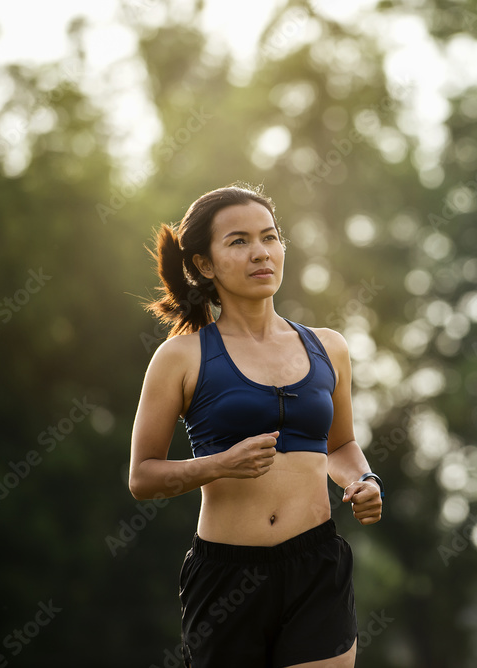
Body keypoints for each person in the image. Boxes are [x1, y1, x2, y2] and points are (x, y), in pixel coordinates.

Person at [128, 183, 383, 668]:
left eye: (269, 237)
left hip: (316, 568)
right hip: (226, 576)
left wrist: (362, 481)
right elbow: (142, 477)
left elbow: (342, 445)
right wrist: (219, 464)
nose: (261, 252)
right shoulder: (181, 356)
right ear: (205, 264)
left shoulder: (329, 348)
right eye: (239, 241)